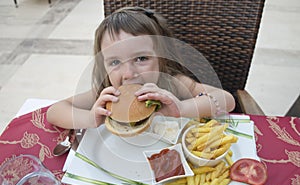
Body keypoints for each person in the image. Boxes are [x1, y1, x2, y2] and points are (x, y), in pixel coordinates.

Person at [46, 7, 235, 129]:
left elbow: (226, 100)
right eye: (114, 62)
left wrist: (182, 107)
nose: (128, 74)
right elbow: (55, 111)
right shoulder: (109, 93)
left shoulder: (171, 83)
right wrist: (90, 118)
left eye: (141, 58)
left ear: (161, 58)